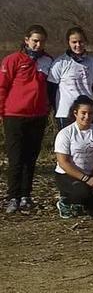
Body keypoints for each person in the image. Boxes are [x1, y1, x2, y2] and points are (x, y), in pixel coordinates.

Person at [0, 25, 53, 214]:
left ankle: (26, 196)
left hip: (37, 116)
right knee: (16, 158)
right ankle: (12, 196)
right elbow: (2, 87)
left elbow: (50, 88)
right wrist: (2, 112)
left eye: (42, 41)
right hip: (14, 116)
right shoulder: (13, 60)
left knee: (31, 158)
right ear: (26, 40)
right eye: (35, 41)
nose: (38, 45)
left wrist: (48, 108)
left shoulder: (47, 61)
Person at [54, 95, 93, 218]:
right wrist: (85, 179)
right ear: (75, 113)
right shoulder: (65, 133)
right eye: (83, 113)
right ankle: (65, 201)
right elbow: (63, 162)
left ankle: (83, 204)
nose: (87, 117)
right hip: (67, 175)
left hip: (90, 174)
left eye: (90, 113)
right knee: (82, 191)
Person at [48, 27, 93, 130]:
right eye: (74, 42)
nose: (78, 45)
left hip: (86, 112)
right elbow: (51, 89)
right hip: (66, 112)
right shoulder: (60, 62)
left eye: (81, 42)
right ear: (68, 42)